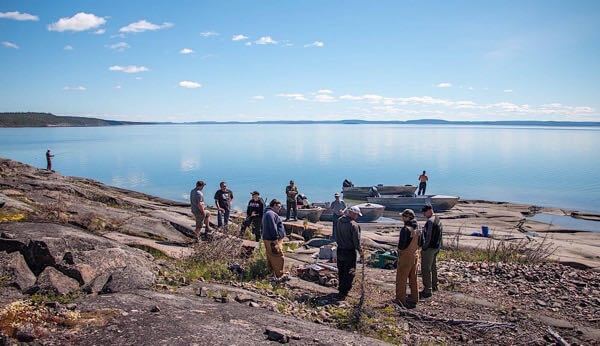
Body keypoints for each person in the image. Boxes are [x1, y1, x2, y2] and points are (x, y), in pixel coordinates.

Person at [335, 206, 364, 299]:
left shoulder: (339, 221)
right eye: (356, 215)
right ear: (352, 213)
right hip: (349, 251)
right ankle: (344, 292)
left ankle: (341, 289)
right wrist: (361, 252)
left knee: (341, 271)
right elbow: (356, 242)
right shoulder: (354, 225)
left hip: (339, 249)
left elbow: (336, 235)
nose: (357, 217)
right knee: (350, 272)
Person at [395, 209, 420, 307]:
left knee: (401, 278)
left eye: (403, 216)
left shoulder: (405, 229)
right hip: (415, 254)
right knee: (413, 278)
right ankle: (415, 298)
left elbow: (401, 245)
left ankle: (400, 300)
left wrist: (399, 253)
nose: (402, 218)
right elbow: (421, 242)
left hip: (406, 255)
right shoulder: (418, 228)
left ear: (407, 218)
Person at [420, 204, 443, 298]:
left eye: (425, 212)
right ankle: (434, 285)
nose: (424, 214)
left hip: (429, 248)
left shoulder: (430, 221)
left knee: (426, 269)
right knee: (433, 267)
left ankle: (427, 290)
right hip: (436, 247)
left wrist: (424, 247)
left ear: (429, 210)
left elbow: (428, 236)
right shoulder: (438, 219)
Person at [262, 199, 286, 278]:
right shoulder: (270, 214)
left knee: (271, 257)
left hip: (270, 239)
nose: (280, 209)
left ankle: (272, 274)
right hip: (273, 240)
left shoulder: (268, 213)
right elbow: (272, 227)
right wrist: (275, 239)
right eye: (278, 207)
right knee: (278, 257)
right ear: (274, 205)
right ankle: (280, 275)